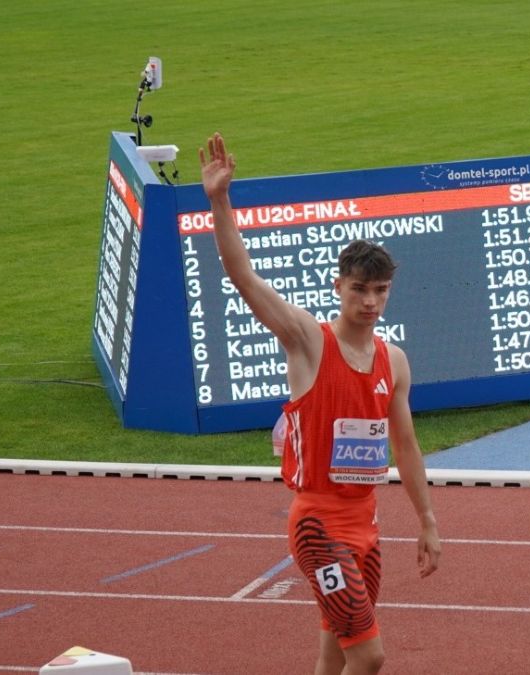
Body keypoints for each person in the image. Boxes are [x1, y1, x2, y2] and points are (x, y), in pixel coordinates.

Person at [200, 132, 441, 675]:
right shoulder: (309, 341)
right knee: (370, 656)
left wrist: (426, 519)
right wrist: (219, 200)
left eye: (380, 291)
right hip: (319, 526)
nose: (371, 301)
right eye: (360, 289)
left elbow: (405, 444)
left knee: (334, 651)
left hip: (367, 525)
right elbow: (244, 278)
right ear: (339, 286)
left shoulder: (393, 361)